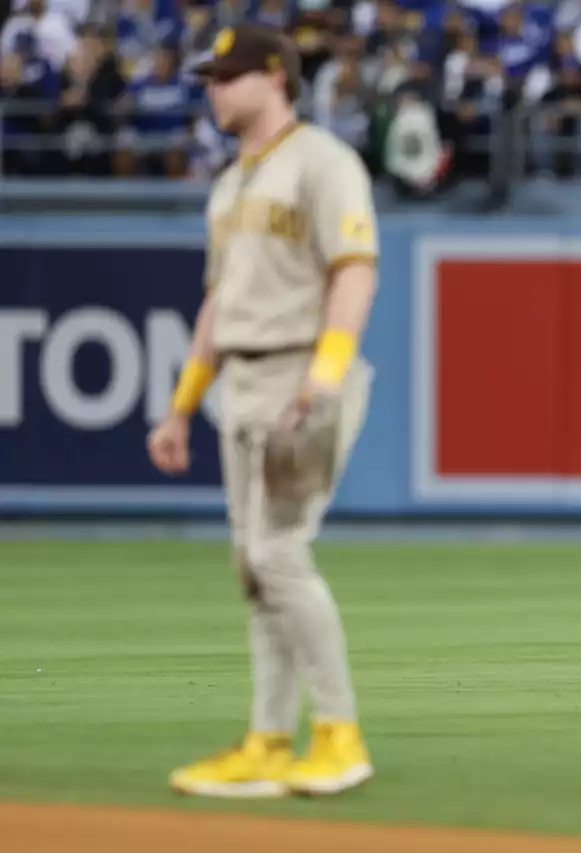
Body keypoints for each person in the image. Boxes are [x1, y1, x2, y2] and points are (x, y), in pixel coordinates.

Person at [146, 23, 379, 799]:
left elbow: (354, 271)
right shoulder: (229, 182)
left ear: (275, 76)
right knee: (255, 569)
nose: (214, 89)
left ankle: (340, 735)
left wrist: (325, 375)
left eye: (229, 76)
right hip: (240, 383)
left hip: (297, 375)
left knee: (277, 554)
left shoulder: (323, 160)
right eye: (211, 77)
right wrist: (181, 406)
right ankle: (269, 739)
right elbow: (218, 302)